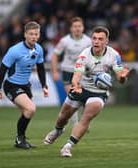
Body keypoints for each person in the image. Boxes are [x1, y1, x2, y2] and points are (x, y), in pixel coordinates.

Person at [44, 26, 130, 157]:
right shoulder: (84, 55)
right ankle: (57, 131)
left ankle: (68, 146)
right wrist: (75, 84)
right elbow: (77, 74)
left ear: (106, 41)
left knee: (86, 117)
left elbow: (119, 76)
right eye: (94, 38)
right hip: (81, 88)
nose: (96, 41)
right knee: (63, 116)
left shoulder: (114, 55)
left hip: (98, 92)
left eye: (100, 39)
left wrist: (123, 77)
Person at [0, 21, 49, 149]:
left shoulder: (39, 49)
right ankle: (20, 139)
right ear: (25, 35)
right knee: (31, 109)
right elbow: (3, 69)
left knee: (26, 112)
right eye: (31, 34)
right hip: (11, 85)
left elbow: (40, 68)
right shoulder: (14, 50)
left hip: (25, 86)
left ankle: (20, 140)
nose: (34, 37)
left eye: (36, 34)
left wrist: (44, 85)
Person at [51, 16, 91, 125]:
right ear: (71, 28)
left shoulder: (88, 41)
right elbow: (54, 55)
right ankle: (75, 124)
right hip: (68, 71)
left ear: (83, 28)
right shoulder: (64, 41)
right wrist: (54, 72)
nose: (77, 28)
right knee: (72, 98)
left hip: (82, 72)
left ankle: (84, 121)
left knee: (85, 99)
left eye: (79, 26)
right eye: (75, 26)